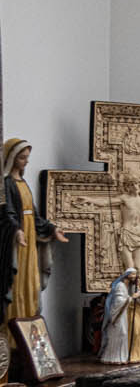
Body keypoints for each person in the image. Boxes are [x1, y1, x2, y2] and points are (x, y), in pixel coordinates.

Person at [1, 137, 69, 335]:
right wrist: (16, 231)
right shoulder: (7, 183)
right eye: (22, 158)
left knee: (31, 285)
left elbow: (34, 214)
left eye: (27, 158)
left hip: (30, 241)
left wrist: (52, 229)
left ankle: (30, 333)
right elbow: (7, 213)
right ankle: (14, 337)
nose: (26, 162)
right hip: (19, 243)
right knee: (17, 286)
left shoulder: (22, 182)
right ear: (12, 158)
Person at [101, 266, 140, 365]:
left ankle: (122, 357)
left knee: (125, 334)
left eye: (136, 275)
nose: (135, 277)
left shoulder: (130, 287)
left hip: (128, 314)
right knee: (121, 333)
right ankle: (114, 357)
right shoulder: (120, 285)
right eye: (133, 274)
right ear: (127, 275)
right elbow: (118, 301)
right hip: (119, 315)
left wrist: (138, 296)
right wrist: (131, 298)